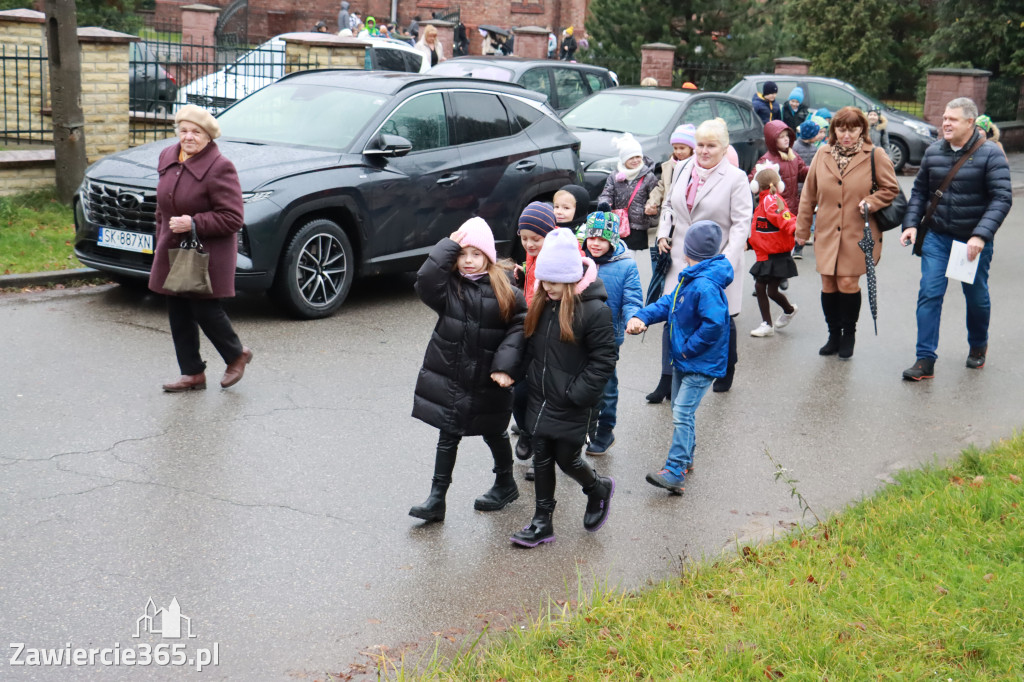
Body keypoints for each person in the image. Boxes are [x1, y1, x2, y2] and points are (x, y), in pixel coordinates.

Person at [409, 218, 528, 522]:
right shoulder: (448, 288)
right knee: (448, 434)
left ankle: (505, 482)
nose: (469, 261)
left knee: (495, 432)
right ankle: (437, 499)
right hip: (453, 377)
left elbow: (520, 327)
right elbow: (425, 280)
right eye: (462, 254)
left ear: (488, 256)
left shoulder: (507, 290)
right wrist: (447, 245)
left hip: (489, 379)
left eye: (476, 254)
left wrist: (505, 366)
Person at [510, 228, 616, 548]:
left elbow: (604, 360)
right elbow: (530, 347)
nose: (549, 287)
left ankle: (597, 488)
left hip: (573, 402)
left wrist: (576, 394)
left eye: (556, 281)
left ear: (570, 278)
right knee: (541, 456)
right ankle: (542, 522)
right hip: (541, 397)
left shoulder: (594, 310)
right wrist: (516, 376)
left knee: (567, 459)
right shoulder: (542, 303)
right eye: (545, 280)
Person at [899, 97, 1013, 380]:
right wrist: (911, 224)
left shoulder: (990, 154)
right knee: (929, 293)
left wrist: (980, 235)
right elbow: (920, 192)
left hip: (971, 243)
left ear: (970, 122)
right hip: (937, 237)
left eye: (953, 119)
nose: (945, 123)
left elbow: (1002, 198)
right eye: (944, 118)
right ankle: (925, 359)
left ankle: (978, 345)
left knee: (975, 297)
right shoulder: (934, 151)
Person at [626, 220, 732, 494]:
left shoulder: (705, 285)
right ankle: (687, 458)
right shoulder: (692, 276)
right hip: (685, 360)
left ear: (688, 250)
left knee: (682, 412)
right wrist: (643, 316)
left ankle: (675, 470)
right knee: (680, 410)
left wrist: (687, 348)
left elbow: (715, 324)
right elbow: (668, 303)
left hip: (699, 363)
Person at [151, 105, 251, 393]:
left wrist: (194, 222)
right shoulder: (168, 157)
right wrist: (161, 235)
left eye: (196, 132)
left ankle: (236, 355)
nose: (188, 137)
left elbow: (233, 218)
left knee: (204, 308)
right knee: (177, 309)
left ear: (208, 137)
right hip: (172, 246)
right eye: (183, 131)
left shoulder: (220, 167)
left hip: (207, 251)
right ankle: (192, 372)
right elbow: (163, 203)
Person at [654, 118, 752, 394]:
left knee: (720, 317)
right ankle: (665, 378)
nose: (704, 151)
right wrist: (663, 233)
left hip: (717, 260)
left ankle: (727, 366)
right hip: (681, 259)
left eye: (711, 145)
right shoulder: (683, 166)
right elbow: (669, 205)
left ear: (724, 148)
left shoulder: (736, 178)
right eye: (700, 145)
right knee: (673, 312)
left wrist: (724, 266)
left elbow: (742, 225)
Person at [796, 106, 899, 360]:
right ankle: (833, 334)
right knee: (828, 283)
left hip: (857, 232)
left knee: (847, 282)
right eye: (841, 128)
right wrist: (801, 230)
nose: (847, 134)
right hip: (827, 229)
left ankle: (848, 333)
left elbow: (890, 189)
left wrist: (871, 202)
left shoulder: (875, 155)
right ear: (834, 130)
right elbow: (808, 194)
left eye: (853, 128)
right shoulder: (822, 153)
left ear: (862, 130)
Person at [580, 207, 642, 456]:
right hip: (576, 333)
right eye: (591, 237)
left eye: (602, 238)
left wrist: (634, 318)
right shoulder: (578, 260)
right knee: (576, 382)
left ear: (613, 240)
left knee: (606, 385)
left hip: (607, 337)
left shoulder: (626, 266)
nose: (595, 243)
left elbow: (632, 299)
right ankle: (579, 427)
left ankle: (605, 430)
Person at [510, 202, 558, 474]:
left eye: (535, 239)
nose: (528, 244)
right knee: (518, 391)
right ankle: (527, 431)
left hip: (549, 338)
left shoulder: (557, 259)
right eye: (524, 237)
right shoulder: (532, 257)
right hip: (528, 331)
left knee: (542, 397)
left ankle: (543, 455)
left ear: (550, 235)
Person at [747, 162, 799, 337]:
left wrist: (794, 227)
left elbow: (782, 216)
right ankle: (787, 311)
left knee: (763, 287)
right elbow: (762, 229)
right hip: (769, 252)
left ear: (756, 186)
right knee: (768, 289)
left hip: (775, 254)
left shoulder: (769, 200)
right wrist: (750, 243)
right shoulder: (765, 200)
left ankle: (769, 323)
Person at [598, 133, 658, 255]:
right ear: (624, 159)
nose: (635, 160)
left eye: (638, 156)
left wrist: (652, 208)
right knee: (616, 254)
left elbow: (655, 196)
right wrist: (605, 204)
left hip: (638, 226)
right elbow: (607, 193)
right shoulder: (614, 176)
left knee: (631, 257)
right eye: (631, 158)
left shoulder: (649, 177)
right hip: (618, 223)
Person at [792, 119, 821, 259]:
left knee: (804, 216)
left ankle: (800, 244)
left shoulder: (797, 147)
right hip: (801, 188)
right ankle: (798, 246)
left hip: (805, 188)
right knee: (802, 216)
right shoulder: (798, 148)